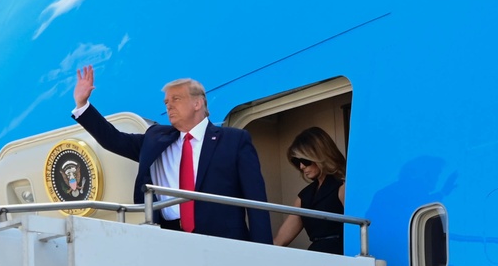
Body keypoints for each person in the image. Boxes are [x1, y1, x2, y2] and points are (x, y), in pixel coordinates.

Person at [71, 64, 272, 244]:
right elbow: (113, 139)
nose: (169, 105)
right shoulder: (155, 139)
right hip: (169, 239)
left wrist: (263, 251)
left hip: (224, 241)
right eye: (166, 102)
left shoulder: (234, 140)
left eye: (176, 99)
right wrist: (83, 105)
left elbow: (256, 201)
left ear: (198, 103)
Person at [273, 127, 346, 254]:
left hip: (342, 257)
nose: (301, 167)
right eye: (297, 162)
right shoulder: (305, 196)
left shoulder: (343, 187)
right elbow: (279, 241)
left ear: (320, 155)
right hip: (315, 258)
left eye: (305, 161)